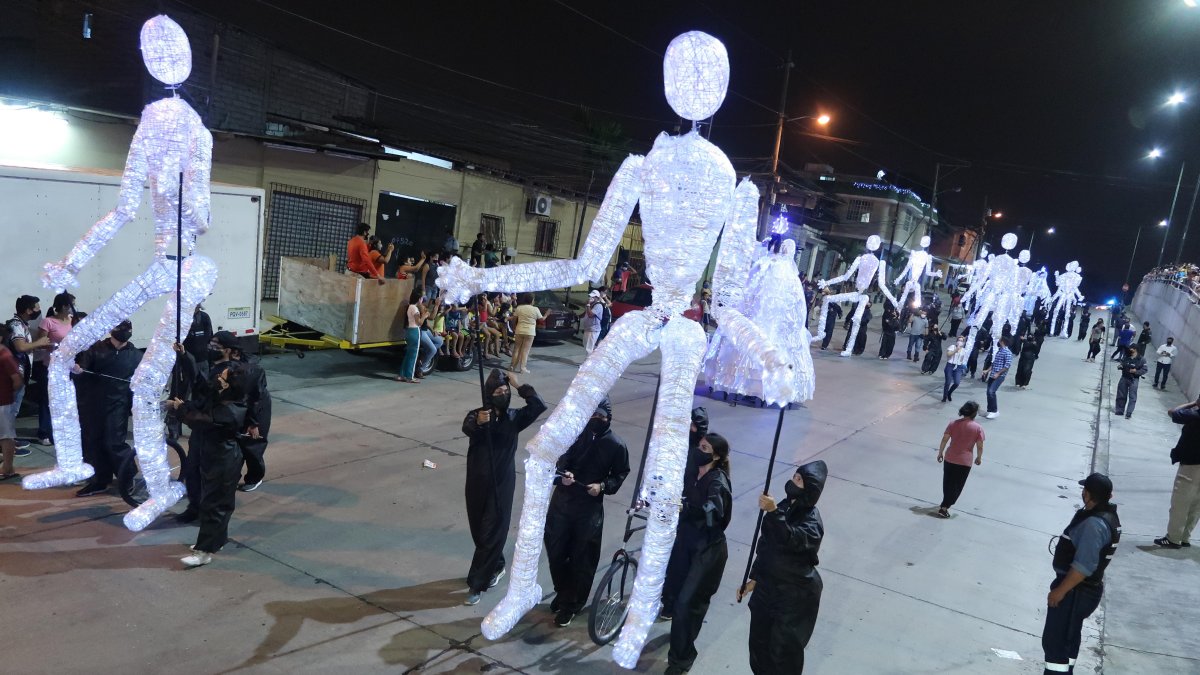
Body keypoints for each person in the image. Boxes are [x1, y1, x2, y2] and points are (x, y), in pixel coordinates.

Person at [462, 370, 546, 605]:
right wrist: (479, 423)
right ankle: (496, 565)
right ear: (489, 394)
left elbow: (538, 405)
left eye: (505, 392)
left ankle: (477, 584)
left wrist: (518, 385)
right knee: (480, 531)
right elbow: (467, 428)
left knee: (492, 531)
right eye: (498, 392)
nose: (503, 395)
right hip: (477, 482)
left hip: (502, 483)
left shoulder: (514, 418)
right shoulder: (477, 415)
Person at [544, 397, 630, 627]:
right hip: (562, 503)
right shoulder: (575, 435)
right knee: (556, 551)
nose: (596, 420)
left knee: (582, 558)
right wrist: (565, 474)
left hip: (588, 510)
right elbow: (559, 461)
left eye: (600, 417)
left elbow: (620, 473)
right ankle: (562, 592)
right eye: (592, 415)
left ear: (608, 418)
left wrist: (602, 486)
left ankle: (572, 604)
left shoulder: (616, 445)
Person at [738, 460, 827, 674]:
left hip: (794, 595)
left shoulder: (812, 522)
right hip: (767, 588)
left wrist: (773, 512)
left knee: (783, 653)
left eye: (799, 480)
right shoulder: (785, 507)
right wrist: (754, 579)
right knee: (758, 647)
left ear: (810, 489)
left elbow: (791, 540)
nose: (793, 481)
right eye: (795, 476)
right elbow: (767, 546)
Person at [661, 432, 733, 675]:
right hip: (686, 543)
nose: (699, 449)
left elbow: (714, 514)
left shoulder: (717, 482)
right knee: (673, 592)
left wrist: (688, 509)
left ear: (716, 455)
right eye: (700, 445)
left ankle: (681, 659)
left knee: (688, 604)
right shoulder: (692, 472)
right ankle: (678, 634)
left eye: (705, 447)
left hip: (707, 550)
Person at [168, 365, 249, 567]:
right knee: (217, 502)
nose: (217, 378)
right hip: (212, 456)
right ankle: (217, 540)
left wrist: (181, 410)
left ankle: (204, 551)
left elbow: (201, 421)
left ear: (229, 385)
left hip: (224, 460)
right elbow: (200, 399)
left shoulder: (232, 409)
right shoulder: (219, 397)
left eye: (221, 377)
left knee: (214, 505)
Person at [1041, 473, 1120, 675]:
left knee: (1057, 644)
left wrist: (1060, 591)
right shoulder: (1107, 517)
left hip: (1075, 591)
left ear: (1087, 494)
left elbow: (1083, 566)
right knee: (1069, 639)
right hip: (1083, 591)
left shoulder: (1094, 525)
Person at [72, 321, 142, 497]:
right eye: (120, 329)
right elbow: (82, 370)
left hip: (118, 405)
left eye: (128, 330)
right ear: (111, 330)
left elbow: (142, 382)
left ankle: (127, 476)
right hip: (93, 404)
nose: (125, 333)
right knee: (94, 442)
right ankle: (100, 480)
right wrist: (78, 370)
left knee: (114, 442)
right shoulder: (96, 349)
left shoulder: (136, 356)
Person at [212, 331, 272, 492]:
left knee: (253, 445)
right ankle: (231, 478)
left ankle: (255, 476)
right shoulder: (223, 364)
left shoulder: (250, 370)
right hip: (240, 406)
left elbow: (254, 398)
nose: (212, 349)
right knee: (236, 445)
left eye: (216, 346)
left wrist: (253, 423)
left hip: (257, 407)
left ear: (232, 351)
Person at [6, 295, 51, 450]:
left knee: (13, 410)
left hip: (20, 374)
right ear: (28, 310)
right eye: (37, 307)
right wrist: (40, 342)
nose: (39, 311)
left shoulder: (22, 325)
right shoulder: (16, 325)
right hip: (14, 375)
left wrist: (38, 346)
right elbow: (20, 347)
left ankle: (10, 440)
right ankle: (6, 444)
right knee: (10, 410)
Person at [1154, 398, 1200, 548]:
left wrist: (1193, 403)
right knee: (1196, 505)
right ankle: (1185, 537)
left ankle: (1173, 539)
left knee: (1180, 503)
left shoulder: (1195, 415)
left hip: (1191, 467)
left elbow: (1172, 412)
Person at [32, 292, 76, 445]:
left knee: (66, 400)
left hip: (69, 366)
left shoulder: (72, 320)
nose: (73, 309)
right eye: (72, 305)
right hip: (50, 365)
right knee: (47, 400)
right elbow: (40, 342)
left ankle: (62, 431)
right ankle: (44, 432)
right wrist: (52, 346)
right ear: (64, 306)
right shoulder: (48, 322)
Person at [935, 401, 985, 517]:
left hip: (949, 458)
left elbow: (944, 439)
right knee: (958, 485)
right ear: (974, 413)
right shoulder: (978, 428)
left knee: (947, 483)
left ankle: (945, 503)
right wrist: (979, 457)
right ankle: (945, 506)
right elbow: (980, 445)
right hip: (964, 461)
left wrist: (940, 452)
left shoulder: (953, 424)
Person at [0, 323, 23, 481]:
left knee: (6, 436)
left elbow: (17, 380)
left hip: (3, 402)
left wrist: (9, 394)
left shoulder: (5, 356)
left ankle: (8, 468)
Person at [396, 287, 427, 384]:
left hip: (409, 331)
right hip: (414, 332)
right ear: (419, 299)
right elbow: (419, 323)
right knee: (413, 356)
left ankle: (402, 375)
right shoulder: (415, 308)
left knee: (408, 355)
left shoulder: (410, 307)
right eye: (421, 298)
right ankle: (410, 376)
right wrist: (424, 316)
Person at [509, 293, 543, 374]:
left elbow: (514, 319)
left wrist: (514, 328)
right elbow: (541, 320)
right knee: (525, 351)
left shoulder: (519, 308)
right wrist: (547, 314)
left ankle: (512, 366)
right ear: (532, 300)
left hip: (519, 330)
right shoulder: (535, 309)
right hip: (530, 332)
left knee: (516, 349)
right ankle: (522, 368)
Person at [1113, 345, 1147, 419]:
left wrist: (1136, 371)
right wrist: (1120, 366)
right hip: (1124, 377)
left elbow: (1145, 370)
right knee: (1121, 394)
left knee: (1132, 396)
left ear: (1135, 350)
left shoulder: (1141, 359)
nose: (1129, 350)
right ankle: (1119, 410)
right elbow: (1122, 363)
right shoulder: (1126, 357)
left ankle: (1129, 412)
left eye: (1131, 349)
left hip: (1134, 379)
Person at [182, 304, 214, 380]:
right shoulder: (184, 317)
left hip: (202, 356)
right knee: (191, 379)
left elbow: (209, 334)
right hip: (189, 356)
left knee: (204, 380)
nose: (197, 310)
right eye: (196, 308)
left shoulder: (204, 316)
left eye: (198, 308)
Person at [984, 338, 1012, 419]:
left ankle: (994, 411)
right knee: (988, 392)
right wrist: (987, 370)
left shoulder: (1007, 352)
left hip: (999, 376)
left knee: (991, 392)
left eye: (999, 341)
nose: (998, 342)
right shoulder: (1000, 351)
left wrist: (998, 373)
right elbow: (994, 363)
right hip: (993, 374)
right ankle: (990, 410)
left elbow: (1007, 366)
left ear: (1002, 342)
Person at [942, 335, 969, 402]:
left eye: (961, 341)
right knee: (948, 382)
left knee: (957, 382)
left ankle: (949, 393)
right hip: (950, 365)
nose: (960, 342)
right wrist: (955, 350)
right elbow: (948, 355)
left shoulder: (964, 351)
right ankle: (944, 397)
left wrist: (964, 366)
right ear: (957, 341)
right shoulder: (952, 347)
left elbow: (963, 360)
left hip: (958, 367)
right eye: (959, 340)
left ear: (963, 343)